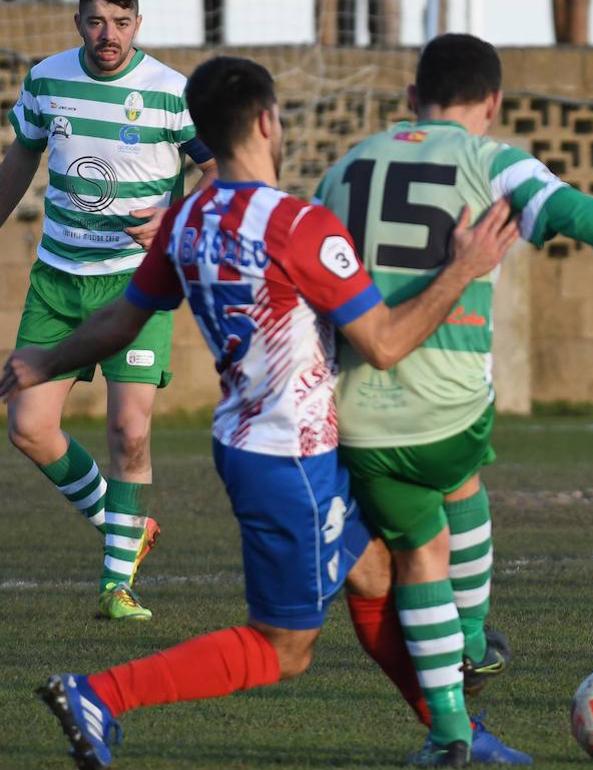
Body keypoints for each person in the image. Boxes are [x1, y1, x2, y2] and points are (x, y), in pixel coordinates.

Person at [5, 55, 524, 770]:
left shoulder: (187, 219)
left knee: (374, 575)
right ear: (267, 121)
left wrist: (45, 358)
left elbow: (124, 320)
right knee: (284, 649)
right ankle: (100, 693)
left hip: (253, 439)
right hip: (292, 458)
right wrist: (463, 270)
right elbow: (382, 343)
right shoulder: (299, 225)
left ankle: (456, 736)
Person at [312, 33, 593, 766]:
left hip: (350, 410)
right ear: (494, 103)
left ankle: (457, 707)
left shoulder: (344, 167)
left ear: (412, 99)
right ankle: (471, 651)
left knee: (423, 539)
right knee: (447, 498)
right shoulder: (490, 160)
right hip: (444, 408)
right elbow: (578, 215)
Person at [0, 0, 218, 620]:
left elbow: (218, 167)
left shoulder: (173, 93)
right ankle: (125, 526)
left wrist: (174, 219)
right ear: (79, 23)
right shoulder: (47, 80)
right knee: (28, 428)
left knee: (130, 429)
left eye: (121, 23)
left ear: (137, 26)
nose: (108, 35)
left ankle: (115, 585)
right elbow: (21, 158)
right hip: (57, 283)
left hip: (137, 286)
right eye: (97, 22)